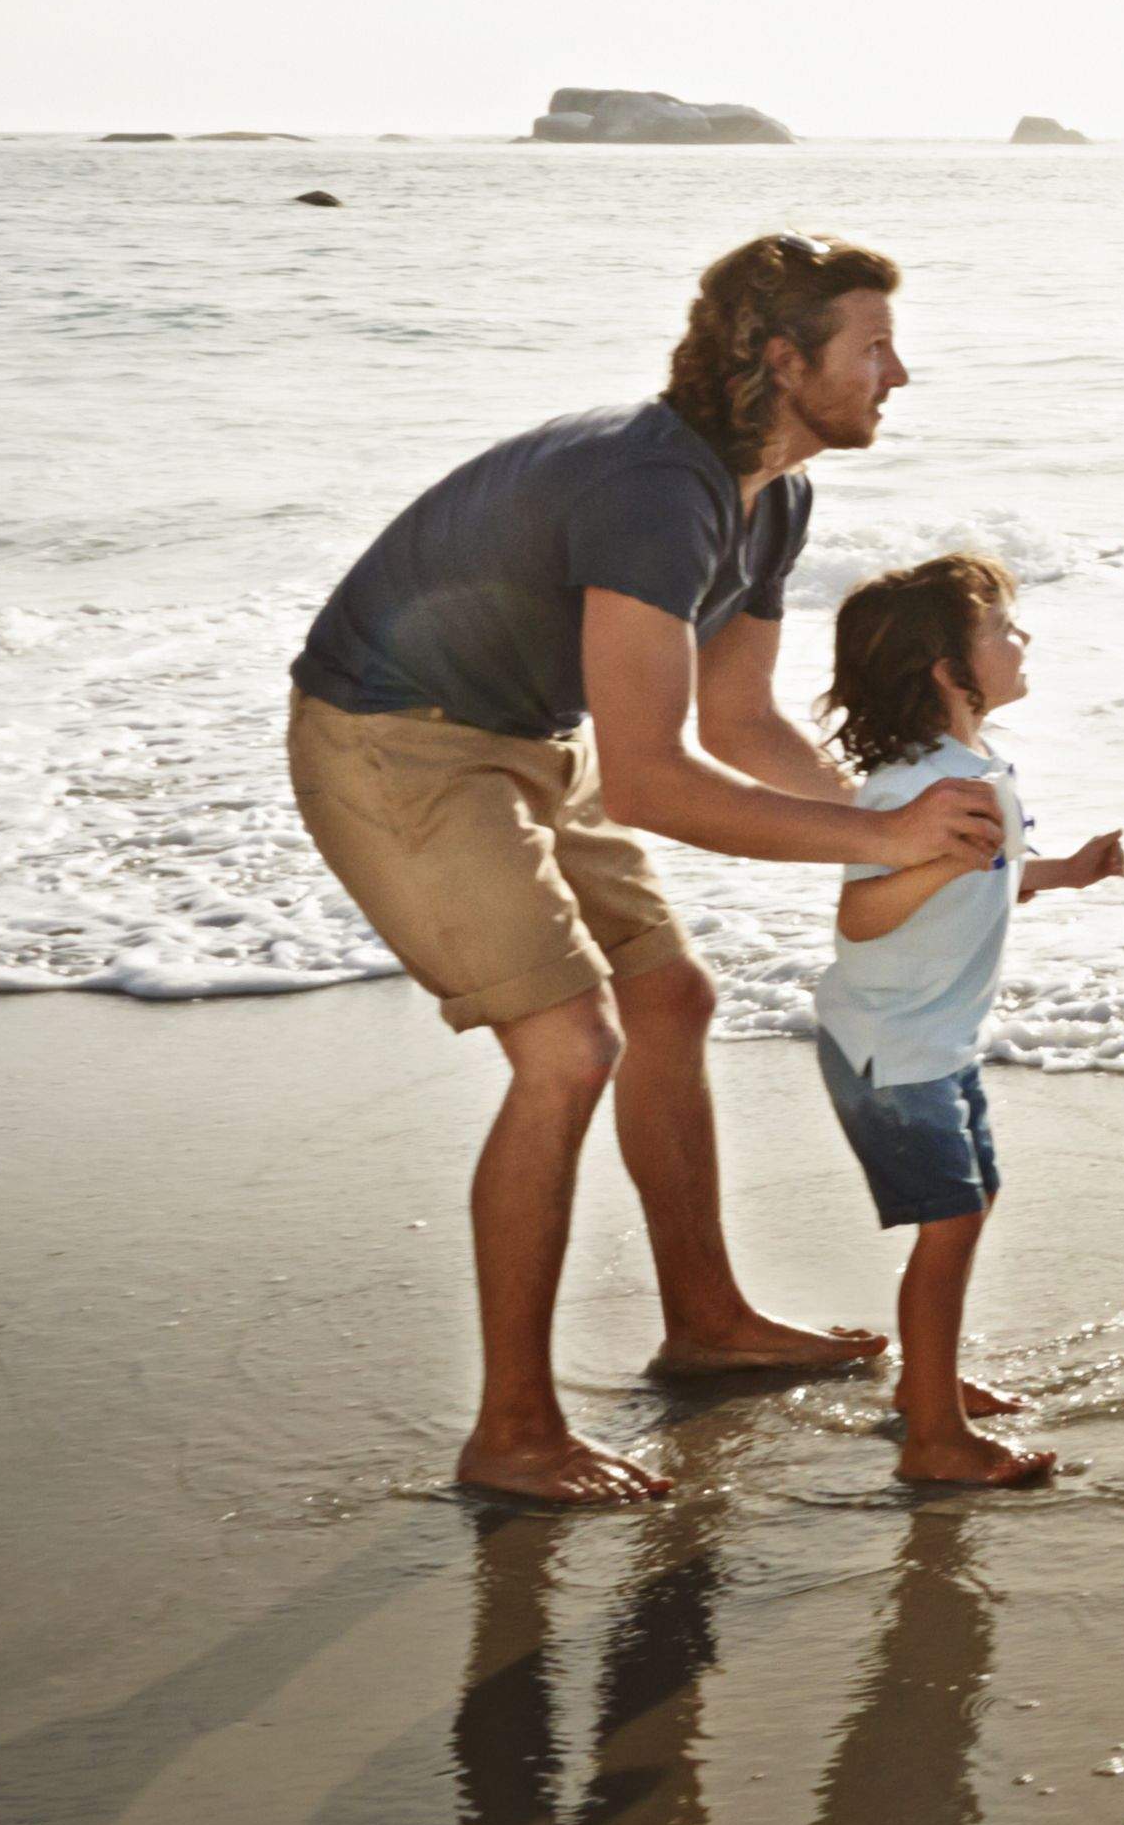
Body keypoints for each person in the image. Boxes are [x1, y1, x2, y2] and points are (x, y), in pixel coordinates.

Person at [288, 233, 1006, 1505]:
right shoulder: (654, 491)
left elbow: (738, 722)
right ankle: (513, 1430)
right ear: (782, 361)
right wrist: (880, 843)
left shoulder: (773, 496)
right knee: (568, 1049)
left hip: (529, 738)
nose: (896, 375)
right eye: (873, 348)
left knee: (670, 997)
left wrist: (908, 829)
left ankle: (706, 1319)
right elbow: (656, 784)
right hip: (396, 741)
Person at [809, 552, 1124, 1488]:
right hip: (890, 1048)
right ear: (950, 671)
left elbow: (983, 874)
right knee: (949, 1222)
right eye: (1001, 629)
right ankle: (933, 1438)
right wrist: (941, 862)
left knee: (972, 1201)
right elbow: (862, 913)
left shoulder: (974, 767)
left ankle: (928, 1386)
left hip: (934, 1040)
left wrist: (1062, 872)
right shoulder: (913, 789)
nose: (1022, 638)